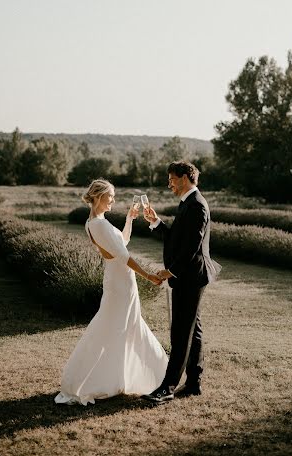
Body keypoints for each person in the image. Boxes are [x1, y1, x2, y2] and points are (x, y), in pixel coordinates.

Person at [55, 179, 168, 406]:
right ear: (98, 197)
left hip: (119, 281)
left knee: (124, 326)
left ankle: (137, 376)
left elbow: (122, 242)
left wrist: (129, 219)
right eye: (111, 197)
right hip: (120, 284)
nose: (113, 201)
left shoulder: (96, 222)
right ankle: (161, 374)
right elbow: (123, 256)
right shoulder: (98, 225)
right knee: (113, 328)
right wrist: (149, 276)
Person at [142, 161, 222, 404]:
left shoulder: (197, 205)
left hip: (190, 276)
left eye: (172, 179)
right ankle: (194, 382)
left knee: (180, 332)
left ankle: (167, 387)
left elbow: (190, 248)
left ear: (185, 178)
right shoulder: (188, 202)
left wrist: (170, 271)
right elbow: (178, 239)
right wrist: (156, 223)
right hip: (188, 275)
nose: (169, 184)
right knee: (193, 330)